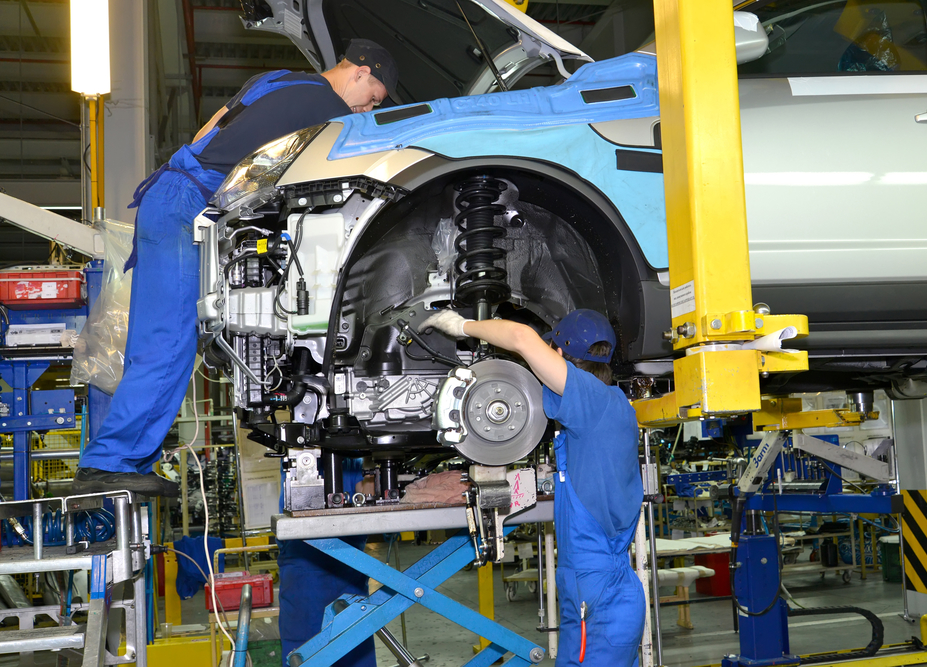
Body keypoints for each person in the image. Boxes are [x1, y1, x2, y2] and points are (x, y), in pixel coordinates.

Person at [73, 38, 400, 498]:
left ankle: (121, 458)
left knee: (159, 340)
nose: (368, 108)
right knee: (169, 341)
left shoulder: (278, 81)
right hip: (189, 203)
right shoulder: (325, 107)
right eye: (374, 98)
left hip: (174, 193)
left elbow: (209, 132)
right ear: (362, 71)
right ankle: (112, 462)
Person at [422, 308, 645, 667]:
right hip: (595, 593)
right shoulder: (607, 407)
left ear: (558, 354)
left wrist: (460, 325)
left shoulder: (592, 399)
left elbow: (523, 338)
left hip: (600, 597)